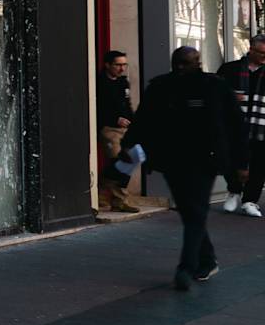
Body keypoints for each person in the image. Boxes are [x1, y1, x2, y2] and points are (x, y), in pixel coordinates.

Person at [122, 46, 246, 290]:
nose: (179, 67)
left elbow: (236, 126)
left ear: (197, 62)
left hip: (204, 160)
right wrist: (128, 145)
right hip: (171, 160)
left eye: (185, 63)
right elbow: (144, 119)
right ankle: (207, 259)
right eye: (177, 63)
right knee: (190, 212)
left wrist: (241, 163)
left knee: (195, 212)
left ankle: (186, 267)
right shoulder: (160, 87)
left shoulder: (215, 87)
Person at [215, 34, 265, 216]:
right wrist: (229, 98)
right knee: (229, 159)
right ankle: (234, 190)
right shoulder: (230, 69)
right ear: (250, 49)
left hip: (261, 126)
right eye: (260, 53)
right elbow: (214, 93)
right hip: (233, 125)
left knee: (259, 164)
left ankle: (250, 200)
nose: (263, 57)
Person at [97, 50, 138, 213]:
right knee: (120, 160)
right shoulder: (99, 83)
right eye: (118, 65)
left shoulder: (123, 82)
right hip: (109, 128)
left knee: (134, 157)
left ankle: (106, 189)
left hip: (126, 128)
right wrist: (115, 119)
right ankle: (117, 197)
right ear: (107, 65)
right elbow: (98, 108)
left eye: (124, 65)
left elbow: (128, 105)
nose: (121, 69)